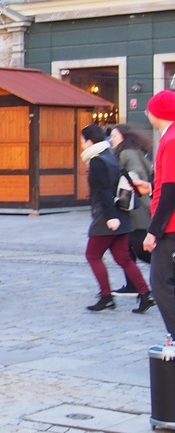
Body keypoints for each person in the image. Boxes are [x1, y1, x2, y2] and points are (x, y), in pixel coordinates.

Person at [80, 124, 154, 313]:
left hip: (108, 217)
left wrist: (110, 218)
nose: (81, 145)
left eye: (82, 141)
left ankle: (106, 297)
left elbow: (103, 191)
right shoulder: (111, 157)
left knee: (93, 255)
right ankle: (145, 294)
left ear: (89, 141)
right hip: (122, 214)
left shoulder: (97, 161)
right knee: (124, 258)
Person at [109, 124, 154, 297]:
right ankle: (132, 284)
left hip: (137, 210)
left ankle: (165, 277)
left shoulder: (127, 153)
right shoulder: (129, 151)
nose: (111, 139)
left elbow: (136, 173)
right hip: (135, 210)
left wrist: (125, 189)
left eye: (114, 135)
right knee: (126, 249)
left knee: (142, 249)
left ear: (124, 138)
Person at [144, 90, 175, 333]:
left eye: (149, 109)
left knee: (160, 282)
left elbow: (171, 192)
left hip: (170, 227)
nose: (146, 113)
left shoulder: (171, 140)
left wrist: (154, 231)